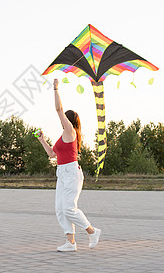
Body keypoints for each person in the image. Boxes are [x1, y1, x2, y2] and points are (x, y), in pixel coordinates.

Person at [37, 78, 101, 252]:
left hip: (72, 172)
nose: (61, 119)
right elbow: (52, 154)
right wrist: (42, 140)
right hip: (62, 173)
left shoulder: (70, 131)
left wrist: (55, 89)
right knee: (60, 209)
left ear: (69, 120)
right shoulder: (62, 136)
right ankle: (71, 243)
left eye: (65, 118)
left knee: (69, 208)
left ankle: (92, 231)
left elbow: (58, 109)